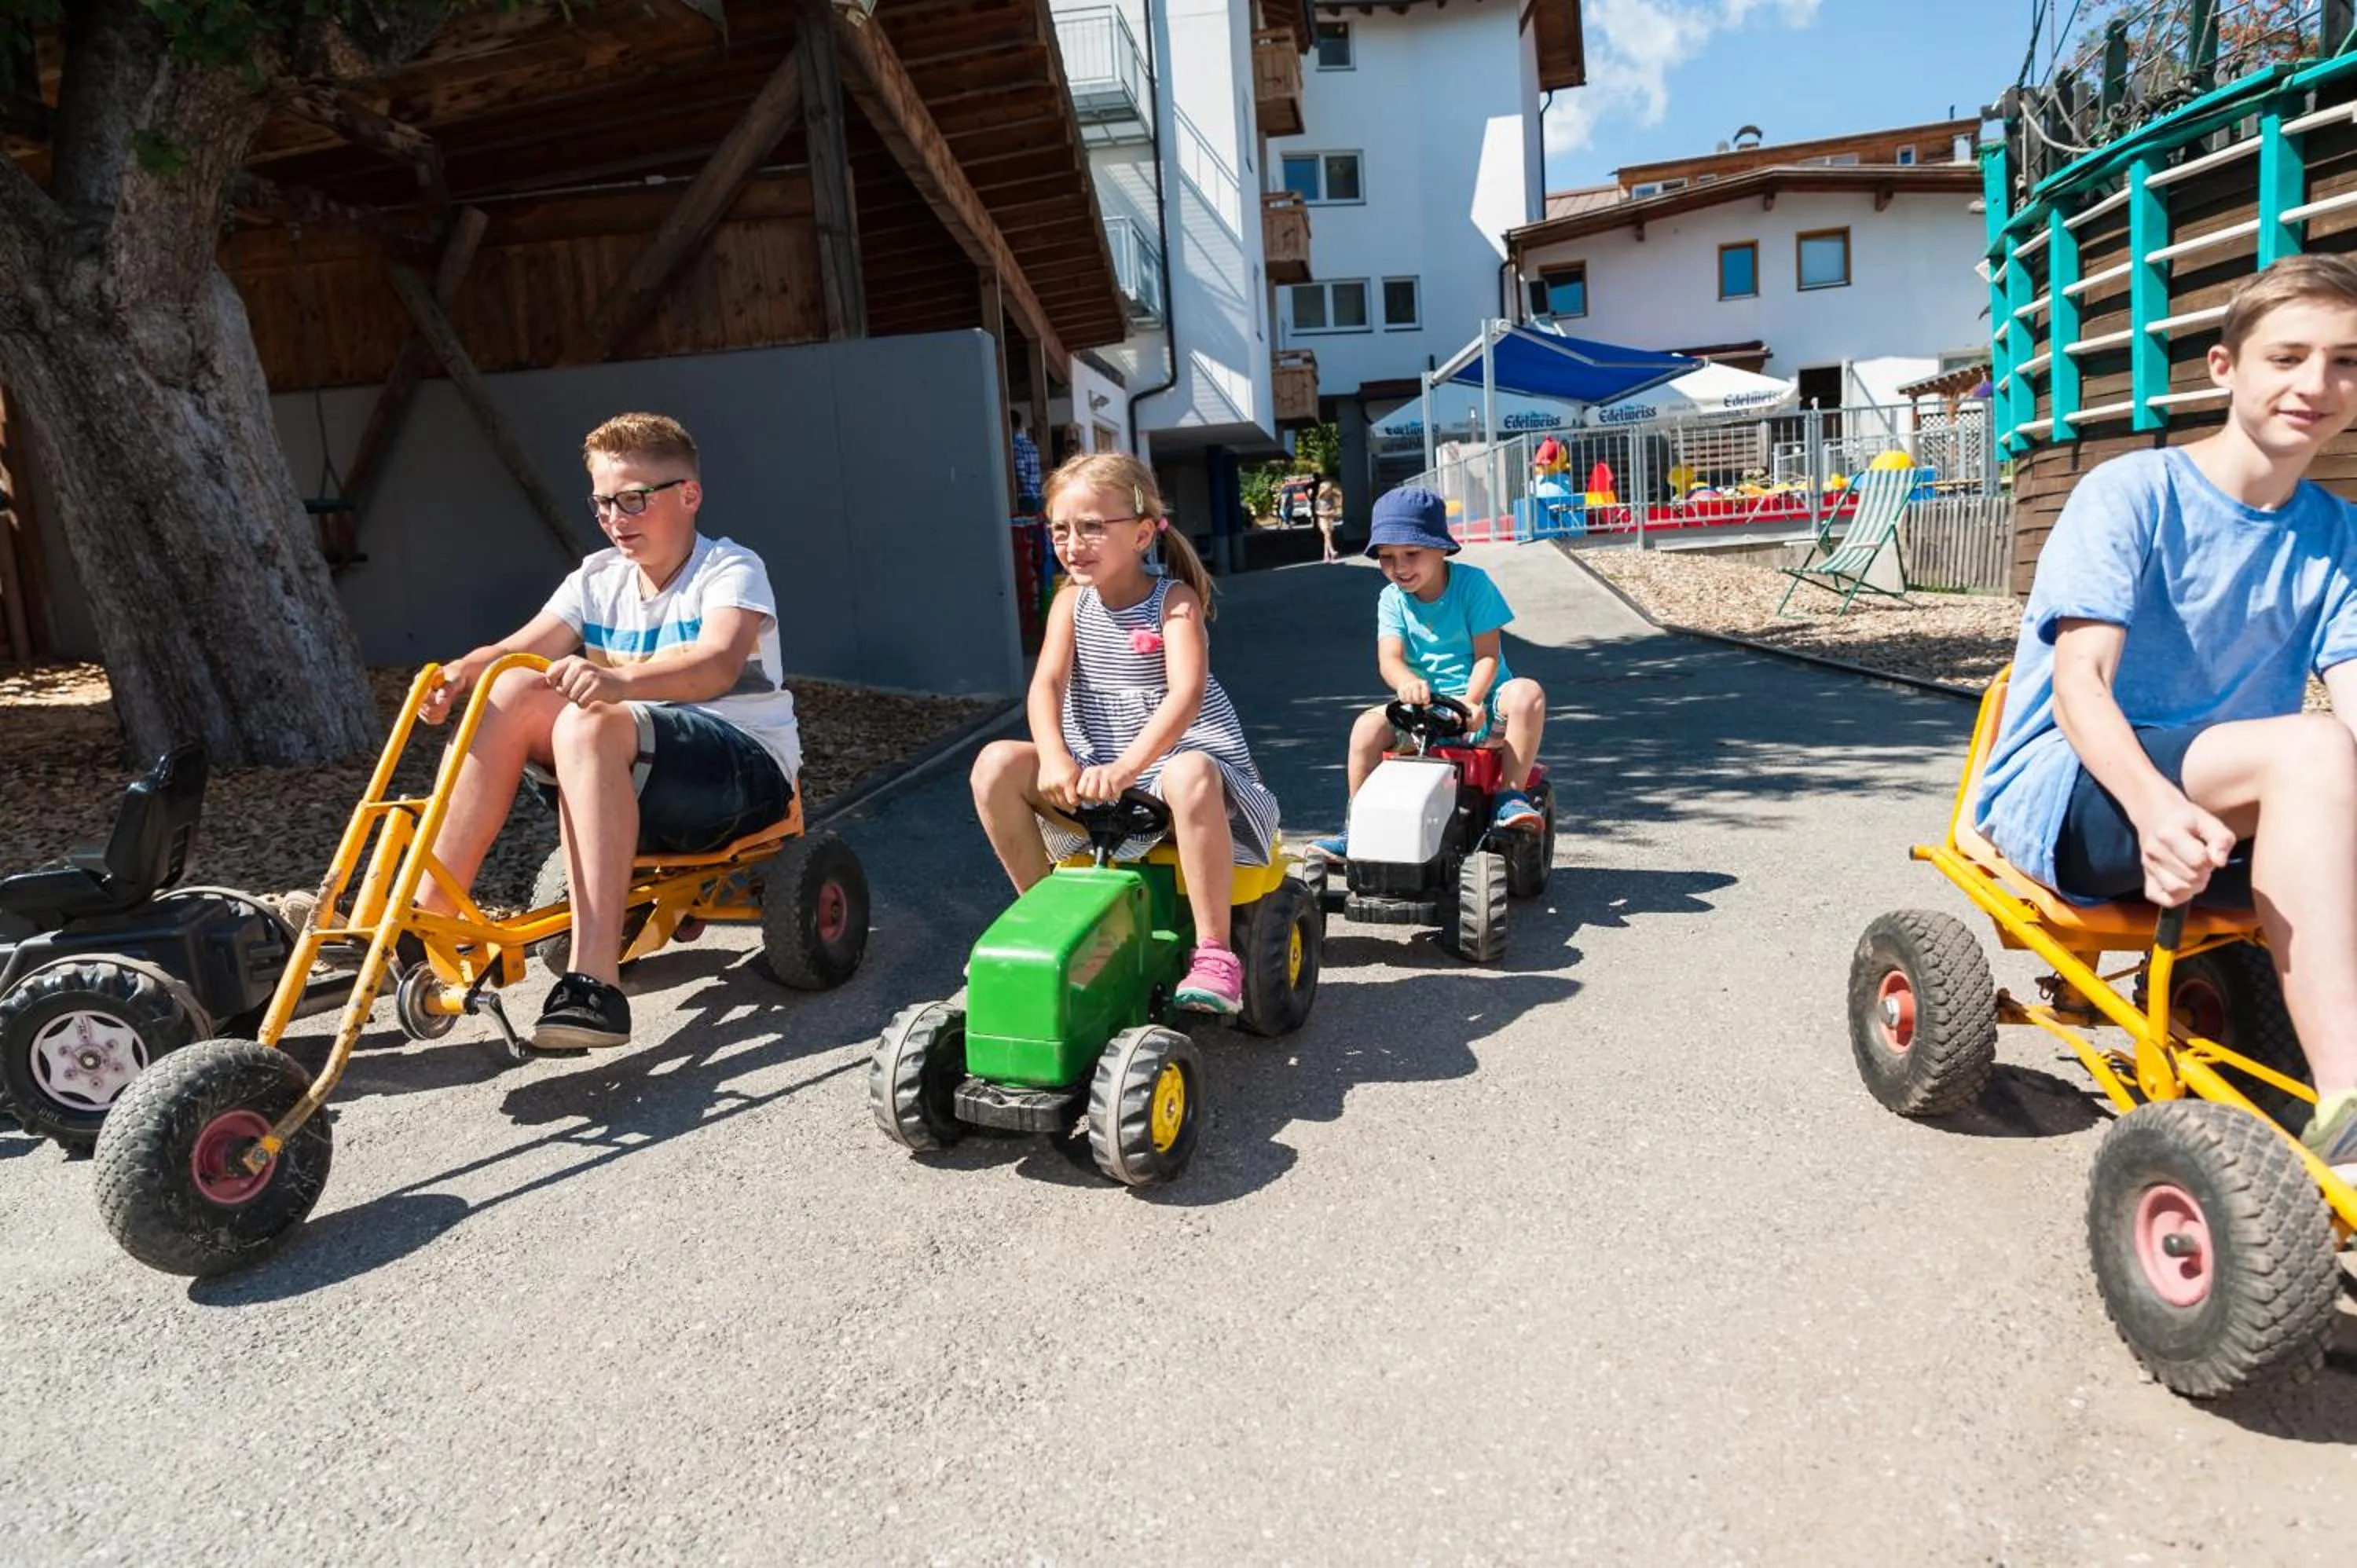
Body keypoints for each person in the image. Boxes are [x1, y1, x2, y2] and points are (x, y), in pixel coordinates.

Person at [1974, 253, 2357, 1170]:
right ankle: (2350, 1111)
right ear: (2226, 369)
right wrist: (2155, 811)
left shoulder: (2337, 533)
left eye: (2345, 361)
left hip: (2230, 805)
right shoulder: (2133, 494)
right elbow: (2079, 687)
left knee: (2325, 758)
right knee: (2311, 750)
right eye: (2288, 356)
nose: (2318, 383)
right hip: (2085, 793)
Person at [416, 412, 800, 1051]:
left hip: (737, 774)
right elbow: (519, 650)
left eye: (633, 500)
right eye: (602, 503)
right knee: (510, 687)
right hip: (633, 771)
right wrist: (458, 674)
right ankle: (429, 921)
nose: (616, 518)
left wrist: (620, 685)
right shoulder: (597, 577)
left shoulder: (730, 568)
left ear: (689, 495)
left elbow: (714, 666)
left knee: (590, 721)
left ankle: (595, 982)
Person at [970, 452, 1282, 1017]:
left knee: (1191, 771)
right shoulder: (1069, 602)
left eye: (1092, 527)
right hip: (1093, 776)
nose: (1073, 543)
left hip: (1169, 771)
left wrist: (1130, 767)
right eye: (1061, 529)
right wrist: (1056, 759)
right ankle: (1047, 921)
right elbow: (1046, 685)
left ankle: (1215, 953)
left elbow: (1186, 697)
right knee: (994, 763)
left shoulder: (1174, 602)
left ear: (1142, 534)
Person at [1310, 485, 1548, 860]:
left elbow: (1487, 655)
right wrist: (1406, 682)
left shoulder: (1473, 585)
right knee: (1365, 728)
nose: (1400, 567)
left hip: (1481, 705)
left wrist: (1471, 702)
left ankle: (1510, 796)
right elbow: (1389, 658)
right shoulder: (1392, 600)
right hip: (1422, 711)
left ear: (1442, 548)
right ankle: (1356, 825)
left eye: (1412, 554)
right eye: (1387, 558)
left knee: (1526, 693)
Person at [1010, 410, 1045, 517]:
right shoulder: (1031, 445)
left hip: (1024, 499)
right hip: (1037, 496)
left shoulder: (1015, 446)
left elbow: (1020, 475)